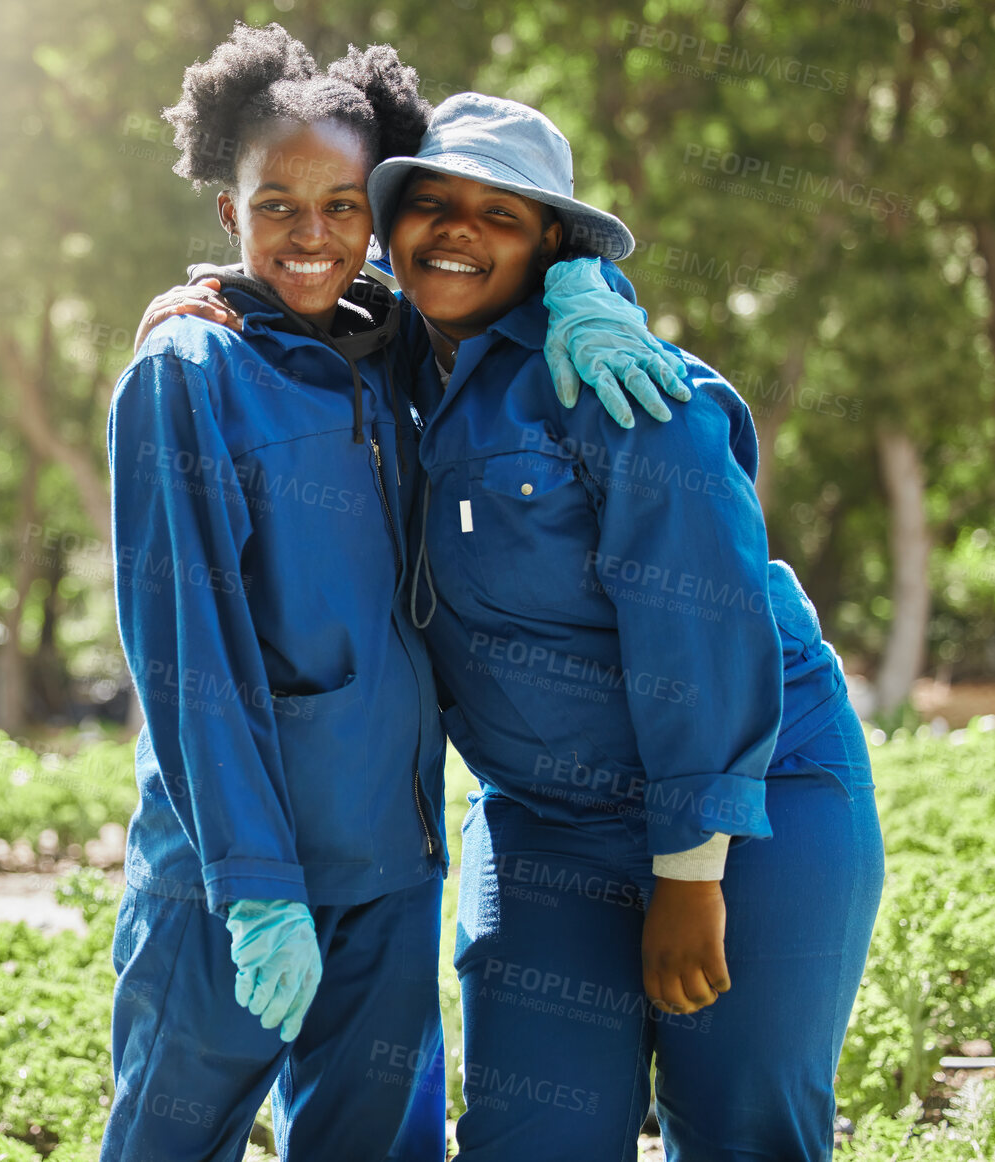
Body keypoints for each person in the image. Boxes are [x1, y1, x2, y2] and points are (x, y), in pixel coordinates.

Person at [105, 27, 689, 1161]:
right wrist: (255, 885)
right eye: (275, 205)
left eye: (339, 207)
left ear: (372, 220)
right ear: (227, 214)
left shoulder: (392, 343)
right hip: (232, 879)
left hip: (389, 862)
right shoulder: (188, 372)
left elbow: (504, 271)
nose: (309, 236)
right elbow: (190, 659)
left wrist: (585, 284)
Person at [364, 92, 884, 1160]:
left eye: (498, 214)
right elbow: (283, 277)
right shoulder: (379, 369)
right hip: (544, 817)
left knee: (746, 1123)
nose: (456, 230)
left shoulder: (618, 381)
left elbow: (705, 626)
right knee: (532, 1130)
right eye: (430, 202)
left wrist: (690, 873)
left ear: (552, 242)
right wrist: (199, 299)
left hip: (753, 801)